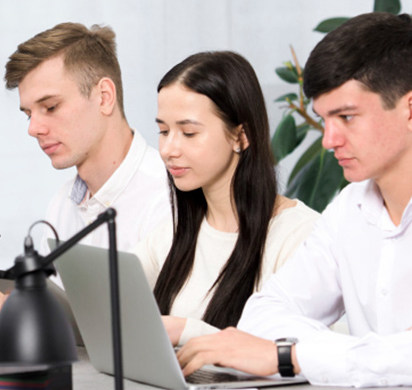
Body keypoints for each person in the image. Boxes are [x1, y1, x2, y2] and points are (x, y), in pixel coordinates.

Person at [177, 13, 412, 389]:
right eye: (324, 118)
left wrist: (293, 356)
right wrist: (397, 351)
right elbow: (263, 315)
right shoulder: (349, 208)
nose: (329, 139)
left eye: (346, 117)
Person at [0, 23, 170, 318]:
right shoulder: (63, 203)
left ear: (104, 96)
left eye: (50, 107)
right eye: (28, 114)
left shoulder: (166, 199)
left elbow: (135, 330)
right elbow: (67, 318)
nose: (34, 129)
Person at [135, 51, 317, 347]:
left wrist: (187, 331)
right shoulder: (174, 232)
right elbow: (109, 291)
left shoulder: (299, 235)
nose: (168, 149)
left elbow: (296, 354)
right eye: (163, 131)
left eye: (189, 132)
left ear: (241, 137)